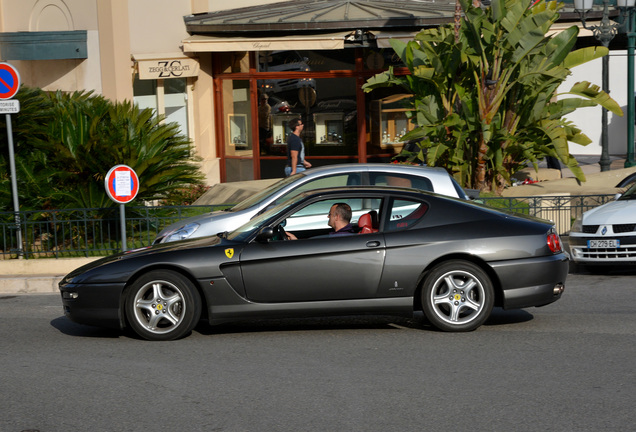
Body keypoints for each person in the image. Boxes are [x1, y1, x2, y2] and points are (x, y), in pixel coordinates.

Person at [284, 202, 355, 240]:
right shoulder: (345, 235)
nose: (328, 216)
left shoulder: (339, 238)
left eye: (330, 214)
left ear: (337, 217)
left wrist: (296, 243)